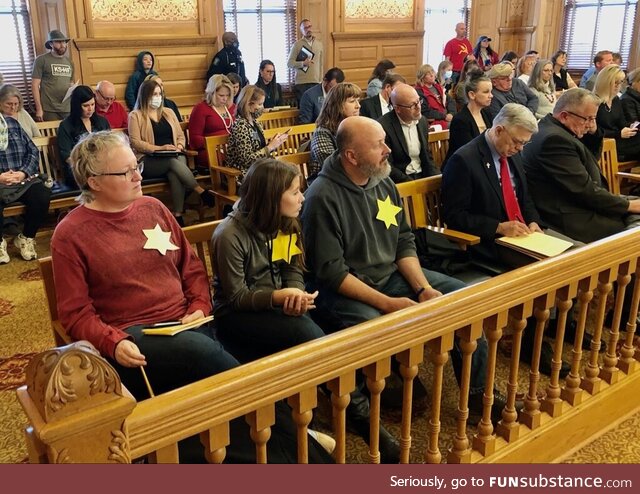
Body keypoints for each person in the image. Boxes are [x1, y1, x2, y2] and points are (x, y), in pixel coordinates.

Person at [50, 131, 333, 463]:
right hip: (135, 339)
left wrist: (199, 305)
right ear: (93, 181)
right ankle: (298, 440)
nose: (139, 175)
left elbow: (192, 269)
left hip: (190, 326)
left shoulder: (153, 208)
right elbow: (75, 312)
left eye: (136, 165)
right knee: (212, 361)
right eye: (126, 172)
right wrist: (112, 341)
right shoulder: (70, 234)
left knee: (225, 387)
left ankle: (281, 437)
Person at [302, 115, 506, 434]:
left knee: (463, 303)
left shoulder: (382, 180)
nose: (388, 150)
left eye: (385, 140)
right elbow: (331, 273)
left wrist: (422, 287)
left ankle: (479, 395)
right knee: (379, 326)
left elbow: (402, 241)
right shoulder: (321, 197)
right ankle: (368, 404)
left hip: (390, 275)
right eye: (378, 144)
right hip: (345, 290)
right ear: (351, 156)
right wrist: (387, 304)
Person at [212, 158, 324, 364]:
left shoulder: (285, 221)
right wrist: (279, 297)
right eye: (295, 192)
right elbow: (237, 297)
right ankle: (343, 392)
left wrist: (296, 295)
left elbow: (291, 269)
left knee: (314, 326)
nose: (302, 198)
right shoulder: (229, 235)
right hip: (235, 314)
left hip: (275, 302)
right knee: (307, 334)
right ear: (270, 197)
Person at [521, 88, 640, 243]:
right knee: (632, 232)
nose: (590, 125)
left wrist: (593, 129)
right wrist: (628, 205)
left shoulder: (556, 128)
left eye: (593, 119)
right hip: (571, 214)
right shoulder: (554, 140)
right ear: (564, 116)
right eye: (588, 119)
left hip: (581, 202)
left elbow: (590, 156)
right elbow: (584, 190)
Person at [128, 80, 215, 224]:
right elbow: (136, 143)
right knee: (173, 163)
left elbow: (180, 136)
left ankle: (178, 215)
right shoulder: (135, 115)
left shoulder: (168, 112)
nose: (157, 97)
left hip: (173, 155)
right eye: (154, 94)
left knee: (174, 171)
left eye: (159, 94)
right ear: (144, 96)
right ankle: (200, 191)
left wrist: (179, 146)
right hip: (149, 159)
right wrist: (160, 148)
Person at [0, 116, 51, 264]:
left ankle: (26, 238)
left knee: (42, 194)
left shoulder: (12, 123)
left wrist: (23, 172)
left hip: (22, 179)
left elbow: (33, 151)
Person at [226, 85, 289, 183]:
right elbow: (246, 160)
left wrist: (274, 143)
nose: (262, 108)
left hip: (259, 169)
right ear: (249, 104)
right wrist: (269, 147)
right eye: (260, 104)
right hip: (245, 173)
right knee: (279, 180)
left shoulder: (256, 123)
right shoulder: (240, 126)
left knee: (285, 174)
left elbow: (260, 150)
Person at [378, 84, 440, 183]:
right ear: (397, 108)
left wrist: (437, 178)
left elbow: (427, 156)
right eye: (412, 105)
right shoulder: (383, 126)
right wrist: (412, 184)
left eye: (419, 101)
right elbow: (388, 165)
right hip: (401, 179)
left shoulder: (422, 121)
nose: (418, 107)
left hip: (422, 174)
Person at [58, 85, 111, 189]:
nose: (90, 109)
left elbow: (110, 146)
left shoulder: (101, 121)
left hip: (101, 165)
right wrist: (88, 165)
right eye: (86, 106)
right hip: (78, 170)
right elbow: (67, 156)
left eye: (92, 104)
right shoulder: (66, 125)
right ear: (77, 106)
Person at [308, 82, 361, 183]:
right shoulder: (322, 132)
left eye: (358, 101)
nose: (358, 106)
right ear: (337, 105)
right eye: (352, 101)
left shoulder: (358, 128)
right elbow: (333, 165)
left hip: (353, 179)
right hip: (328, 183)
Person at [590, 64, 640, 162]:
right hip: (603, 143)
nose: (618, 86)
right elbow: (594, 131)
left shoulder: (615, 100)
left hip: (619, 141)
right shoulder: (594, 102)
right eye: (615, 82)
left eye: (620, 82)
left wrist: (631, 127)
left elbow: (622, 123)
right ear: (605, 82)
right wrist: (618, 134)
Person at [443, 71, 493, 165]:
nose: (491, 95)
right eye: (486, 92)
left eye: (491, 91)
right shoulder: (460, 120)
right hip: (463, 166)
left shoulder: (486, 113)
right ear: (472, 95)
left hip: (482, 162)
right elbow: (469, 153)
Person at [188, 75, 235, 169]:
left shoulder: (232, 107)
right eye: (221, 95)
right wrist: (217, 143)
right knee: (229, 159)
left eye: (228, 95)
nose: (225, 99)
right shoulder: (201, 108)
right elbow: (194, 139)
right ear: (212, 93)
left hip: (230, 147)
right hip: (209, 150)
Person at [31, 30, 75, 121]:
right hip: (49, 109)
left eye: (64, 42)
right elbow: (35, 85)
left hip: (67, 108)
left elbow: (71, 82)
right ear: (51, 44)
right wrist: (39, 109)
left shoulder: (69, 62)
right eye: (58, 42)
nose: (62, 45)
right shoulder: (41, 60)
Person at [288, 19, 324, 104]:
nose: (308, 29)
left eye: (309, 26)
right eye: (305, 28)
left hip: (316, 83)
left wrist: (321, 80)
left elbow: (321, 64)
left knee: (317, 111)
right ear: (301, 31)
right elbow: (289, 63)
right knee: (305, 110)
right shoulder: (297, 45)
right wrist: (303, 64)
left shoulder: (319, 44)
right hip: (302, 84)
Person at [414, 64, 454, 129]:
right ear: (422, 77)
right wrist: (444, 116)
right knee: (457, 126)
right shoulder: (419, 92)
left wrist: (452, 113)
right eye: (428, 74)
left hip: (446, 117)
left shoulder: (438, 87)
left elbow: (450, 101)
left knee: (461, 121)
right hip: (434, 121)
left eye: (432, 72)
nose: (432, 75)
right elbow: (425, 112)